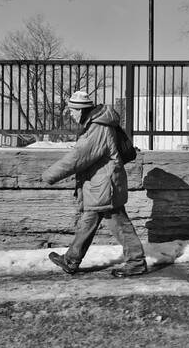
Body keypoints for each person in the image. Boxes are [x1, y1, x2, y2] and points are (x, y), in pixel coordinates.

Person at [42, 91, 147, 277]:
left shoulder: (97, 128)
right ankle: (71, 260)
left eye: (73, 110)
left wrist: (49, 175)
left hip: (105, 185)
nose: (71, 114)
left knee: (119, 223)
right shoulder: (95, 125)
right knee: (88, 221)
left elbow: (78, 157)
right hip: (99, 184)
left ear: (82, 110)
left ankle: (136, 261)